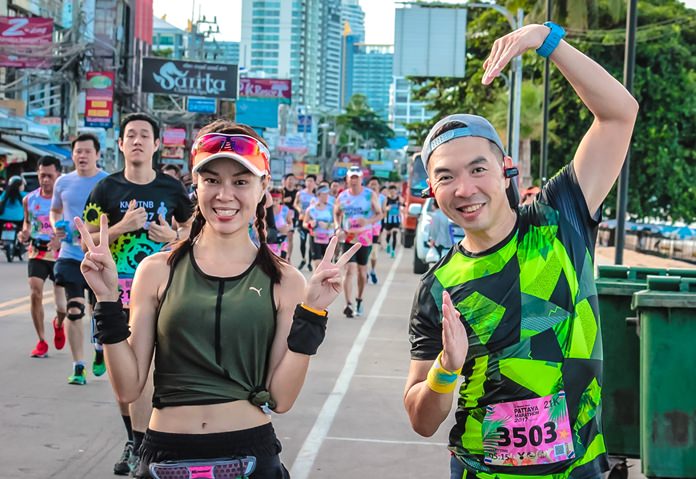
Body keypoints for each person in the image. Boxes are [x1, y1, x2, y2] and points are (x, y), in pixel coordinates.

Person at [404, 23, 638, 479]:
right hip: (480, 470)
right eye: (447, 176)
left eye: (478, 169)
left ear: (506, 170)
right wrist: (446, 369)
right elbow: (421, 420)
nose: (465, 189)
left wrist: (544, 40)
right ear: (432, 190)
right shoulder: (438, 288)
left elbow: (619, 114)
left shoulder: (559, 218)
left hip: (580, 467)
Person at [74, 119, 359, 479]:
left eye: (240, 182)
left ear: (263, 187)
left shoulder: (285, 280)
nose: (225, 195)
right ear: (196, 185)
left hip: (249, 454)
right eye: (212, 180)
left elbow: (281, 398)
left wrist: (313, 314)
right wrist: (107, 300)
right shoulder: (157, 270)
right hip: (166, 457)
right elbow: (129, 386)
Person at [83, 113, 194, 476]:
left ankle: (149, 442)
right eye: (130, 135)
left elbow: (195, 230)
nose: (137, 141)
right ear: (120, 144)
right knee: (123, 371)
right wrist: (120, 227)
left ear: (157, 144)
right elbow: (84, 240)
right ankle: (134, 439)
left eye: (145, 135)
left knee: (151, 372)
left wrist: (174, 238)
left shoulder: (171, 189)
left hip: (162, 289)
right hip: (116, 292)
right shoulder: (106, 190)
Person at [50, 133, 109, 385]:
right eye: (78, 151)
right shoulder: (62, 182)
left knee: (100, 313)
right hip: (70, 255)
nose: (82, 156)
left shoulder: (108, 182)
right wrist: (56, 227)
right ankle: (78, 366)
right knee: (74, 310)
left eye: (87, 151)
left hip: (98, 257)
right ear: (72, 155)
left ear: (97, 154)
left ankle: (99, 350)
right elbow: (54, 210)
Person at [18, 156, 67, 358]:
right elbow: (27, 224)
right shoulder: (29, 199)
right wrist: (24, 233)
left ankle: (59, 323)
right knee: (35, 291)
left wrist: (60, 239)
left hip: (59, 254)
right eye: (42, 175)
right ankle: (41, 340)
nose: (45, 180)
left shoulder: (65, 200)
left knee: (62, 307)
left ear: (58, 175)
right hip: (37, 252)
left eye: (49, 175)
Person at [334, 166, 382, 318]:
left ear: (361, 179)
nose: (354, 180)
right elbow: (336, 213)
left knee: (362, 272)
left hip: (364, 238)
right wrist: (337, 227)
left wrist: (367, 220)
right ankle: (348, 304)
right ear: (347, 179)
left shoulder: (369, 195)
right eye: (351, 177)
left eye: (356, 177)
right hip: (348, 237)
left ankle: (359, 300)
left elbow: (380, 214)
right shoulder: (342, 196)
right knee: (349, 270)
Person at [303, 185, 334, 271]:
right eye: (325, 194)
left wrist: (327, 225)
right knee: (316, 263)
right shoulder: (311, 209)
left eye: (328, 194)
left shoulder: (331, 208)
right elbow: (304, 223)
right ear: (319, 195)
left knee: (327, 264)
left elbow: (337, 224)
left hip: (328, 237)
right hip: (315, 237)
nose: (327, 196)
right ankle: (316, 282)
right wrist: (310, 225)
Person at [0, 175, 28, 261]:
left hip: (3, 218)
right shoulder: (24, 195)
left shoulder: (4, 194)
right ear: (20, 185)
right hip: (18, 219)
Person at [293, 174, 317, 271]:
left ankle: (310, 262)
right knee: (302, 241)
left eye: (311, 181)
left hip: (311, 222)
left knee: (311, 243)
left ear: (315, 183)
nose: (309, 183)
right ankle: (303, 259)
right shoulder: (300, 193)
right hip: (302, 220)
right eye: (307, 181)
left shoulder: (316, 196)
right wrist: (299, 210)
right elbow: (295, 204)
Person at [366, 177, 386, 284]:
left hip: (376, 228)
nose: (373, 186)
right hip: (365, 228)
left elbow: (383, 213)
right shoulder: (365, 197)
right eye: (371, 184)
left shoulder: (382, 198)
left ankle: (372, 271)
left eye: (375, 184)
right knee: (365, 251)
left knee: (374, 253)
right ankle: (364, 271)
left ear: (378, 186)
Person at [269, 188, 294, 259]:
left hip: (282, 241)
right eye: (273, 199)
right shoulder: (265, 210)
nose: (274, 201)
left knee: (282, 264)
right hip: (269, 241)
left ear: (281, 199)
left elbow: (291, 224)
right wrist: (277, 230)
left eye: (277, 200)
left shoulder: (285, 209)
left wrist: (287, 228)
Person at [383, 185, 403, 258]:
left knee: (394, 234)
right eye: (391, 190)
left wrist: (401, 221)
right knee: (388, 235)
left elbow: (401, 207)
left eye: (394, 190)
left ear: (396, 191)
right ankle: (388, 244)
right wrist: (387, 208)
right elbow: (384, 208)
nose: (393, 192)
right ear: (389, 191)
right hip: (388, 219)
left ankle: (393, 251)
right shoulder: (387, 199)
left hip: (396, 219)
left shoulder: (398, 198)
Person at [282, 174, 298, 262]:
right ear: (286, 181)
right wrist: (284, 200)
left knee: (290, 236)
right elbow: (275, 201)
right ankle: (282, 254)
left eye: (292, 179)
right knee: (283, 235)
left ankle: (288, 257)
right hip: (282, 216)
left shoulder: (297, 192)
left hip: (292, 217)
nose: (291, 181)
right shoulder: (282, 191)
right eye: (289, 179)